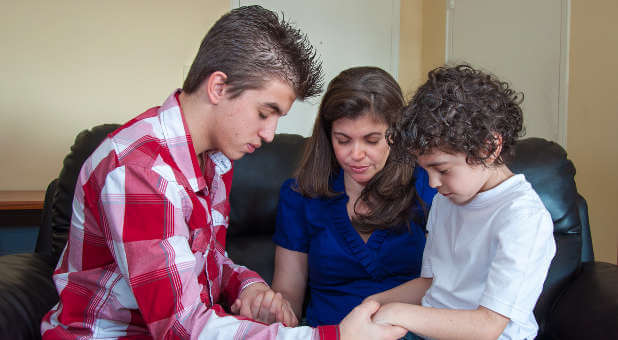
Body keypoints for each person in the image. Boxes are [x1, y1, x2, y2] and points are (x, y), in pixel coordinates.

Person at [40, 6, 406, 340]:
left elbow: (205, 260)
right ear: (218, 87)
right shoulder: (142, 173)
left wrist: (247, 286)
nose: (270, 134)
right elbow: (182, 329)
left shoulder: (213, 160)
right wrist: (332, 338)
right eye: (265, 113)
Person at [367, 64, 557, 340]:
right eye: (426, 171)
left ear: (489, 149)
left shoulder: (522, 218)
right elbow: (430, 283)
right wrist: (374, 304)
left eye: (442, 170)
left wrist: (397, 312)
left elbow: (488, 325)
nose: (432, 183)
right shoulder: (447, 199)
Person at [270, 66, 437, 326]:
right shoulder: (300, 196)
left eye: (372, 140)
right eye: (343, 140)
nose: (356, 154)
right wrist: (277, 311)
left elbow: (445, 286)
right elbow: (289, 293)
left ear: (396, 134)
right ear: (328, 136)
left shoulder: (428, 184)